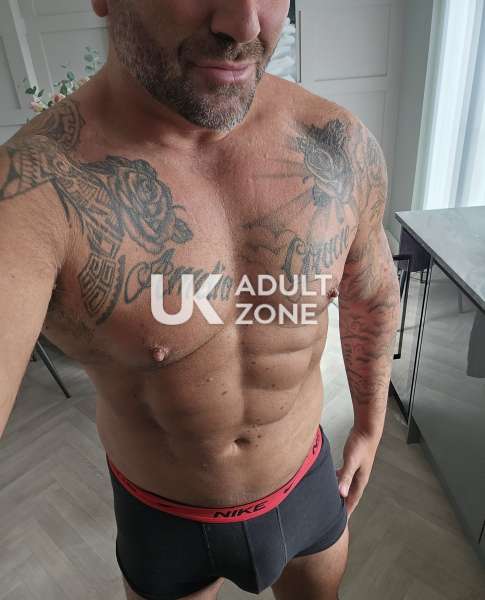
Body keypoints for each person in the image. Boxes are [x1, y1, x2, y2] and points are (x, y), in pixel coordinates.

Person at [0, 1, 401, 598]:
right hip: (165, 519)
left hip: (305, 485)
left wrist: (369, 423)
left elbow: (372, 295)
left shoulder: (337, 146)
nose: (245, 23)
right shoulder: (34, 194)